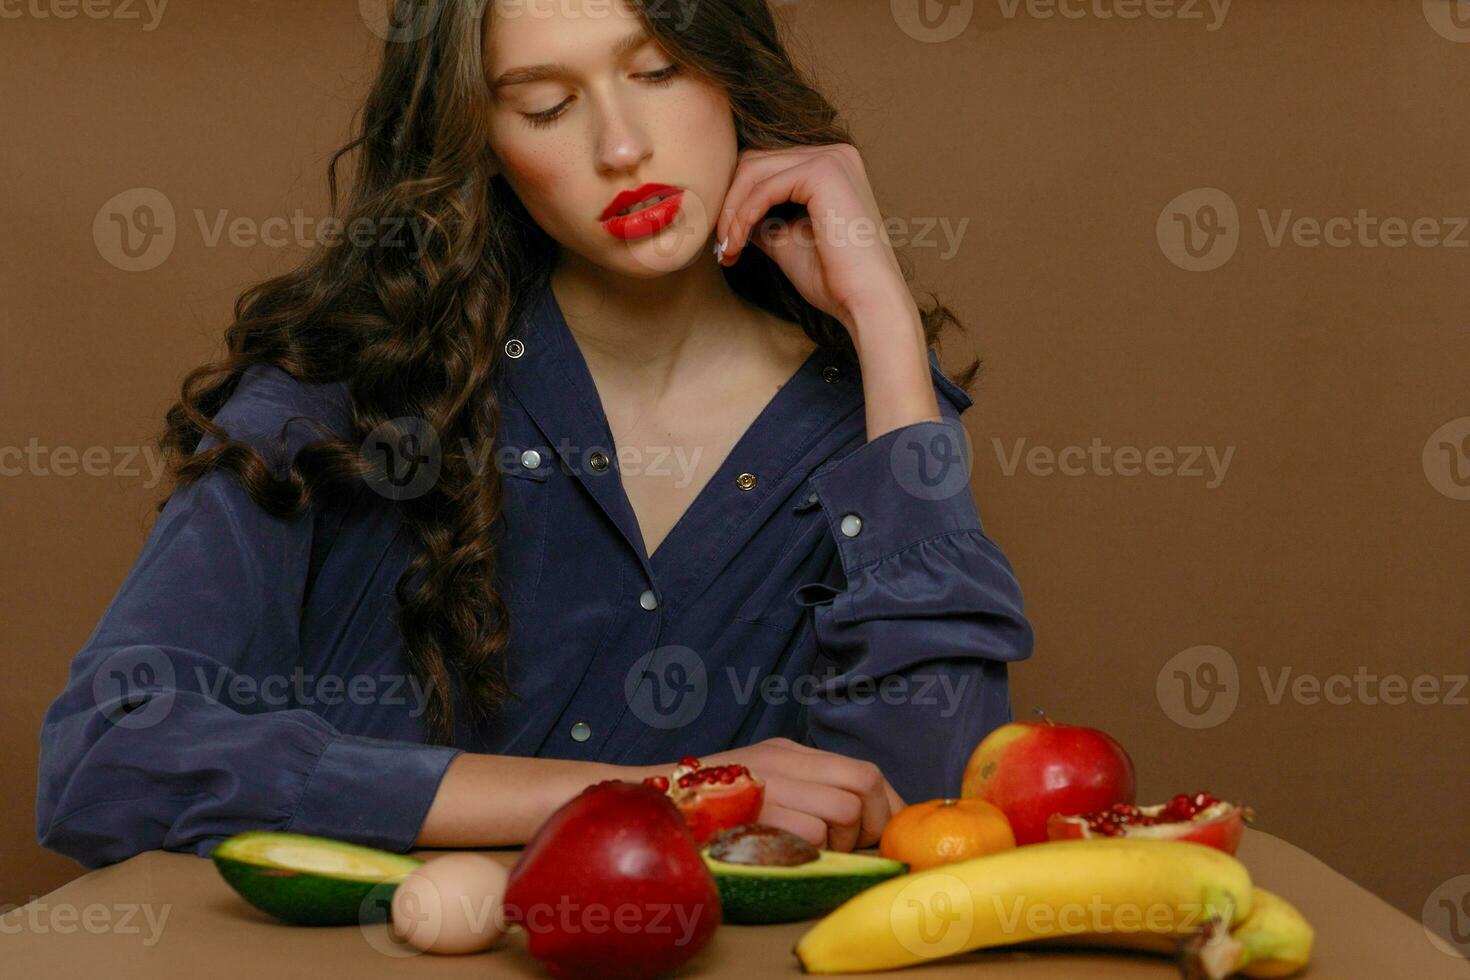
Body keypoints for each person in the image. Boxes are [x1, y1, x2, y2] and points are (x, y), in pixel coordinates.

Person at [36, 0, 1033, 869]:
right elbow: (110, 752)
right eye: (545, 105)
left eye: (657, 71)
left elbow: (929, 823)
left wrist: (884, 327)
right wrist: (652, 791)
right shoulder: (343, 393)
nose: (621, 145)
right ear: (484, 141)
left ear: (731, 70)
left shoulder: (868, 427)